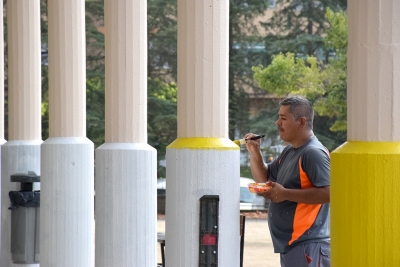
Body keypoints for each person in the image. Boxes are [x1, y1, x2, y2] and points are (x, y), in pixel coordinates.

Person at [244, 96, 330, 267]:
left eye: (283, 118)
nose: (277, 123)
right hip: (293, 245)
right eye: (278, 117)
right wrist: (255, 152)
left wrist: (284, 194)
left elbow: (329, 193)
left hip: (309, 244)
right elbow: (264, 178)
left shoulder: (313, 153)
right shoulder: (290, 150)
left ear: (302, 122)